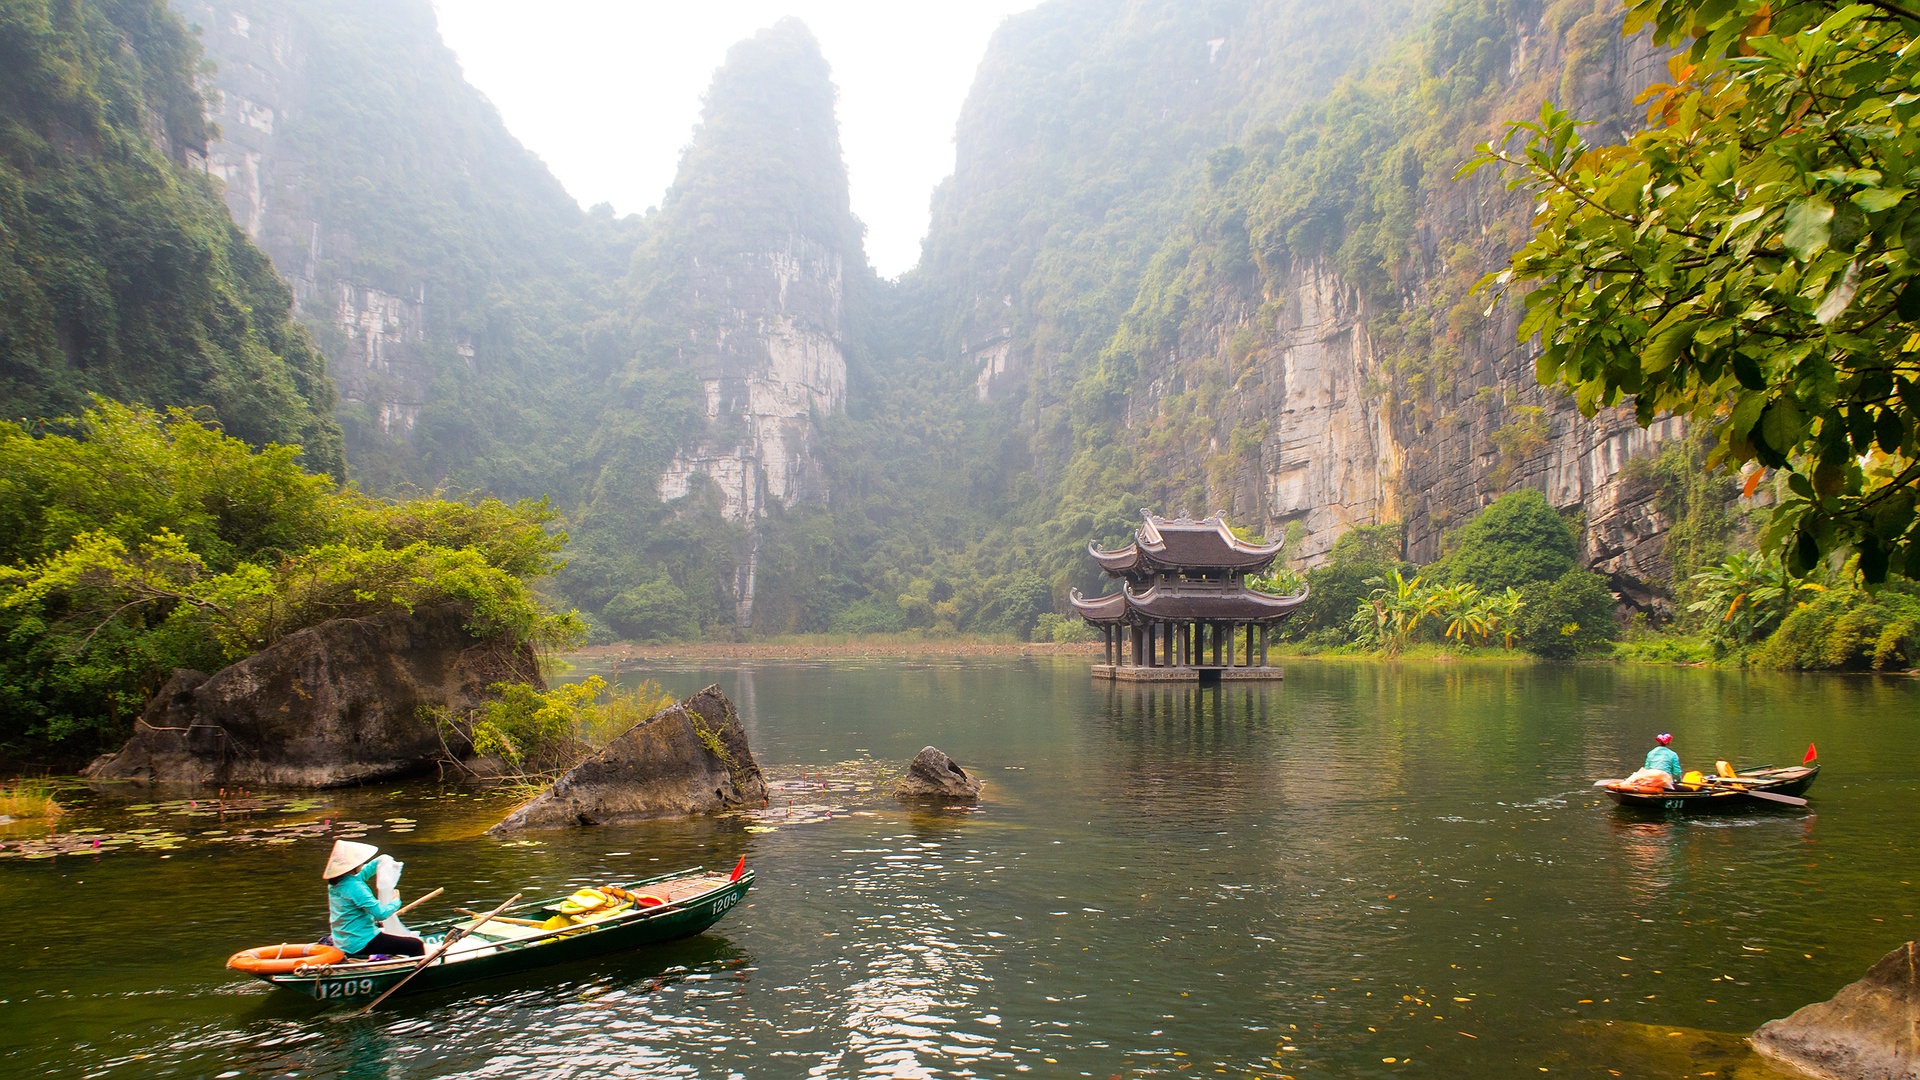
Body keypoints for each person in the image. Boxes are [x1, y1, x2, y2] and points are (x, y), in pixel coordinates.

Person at [324, 840, 425, 959]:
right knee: (415, 945)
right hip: (361, 942)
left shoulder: (336, 883)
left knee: (392, 941)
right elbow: (380, 913)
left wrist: (380, 861)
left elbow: (362, 874)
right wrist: (396, 902)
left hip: (343, 941)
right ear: (353, 866)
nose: (362, 864)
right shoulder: (355, 887)